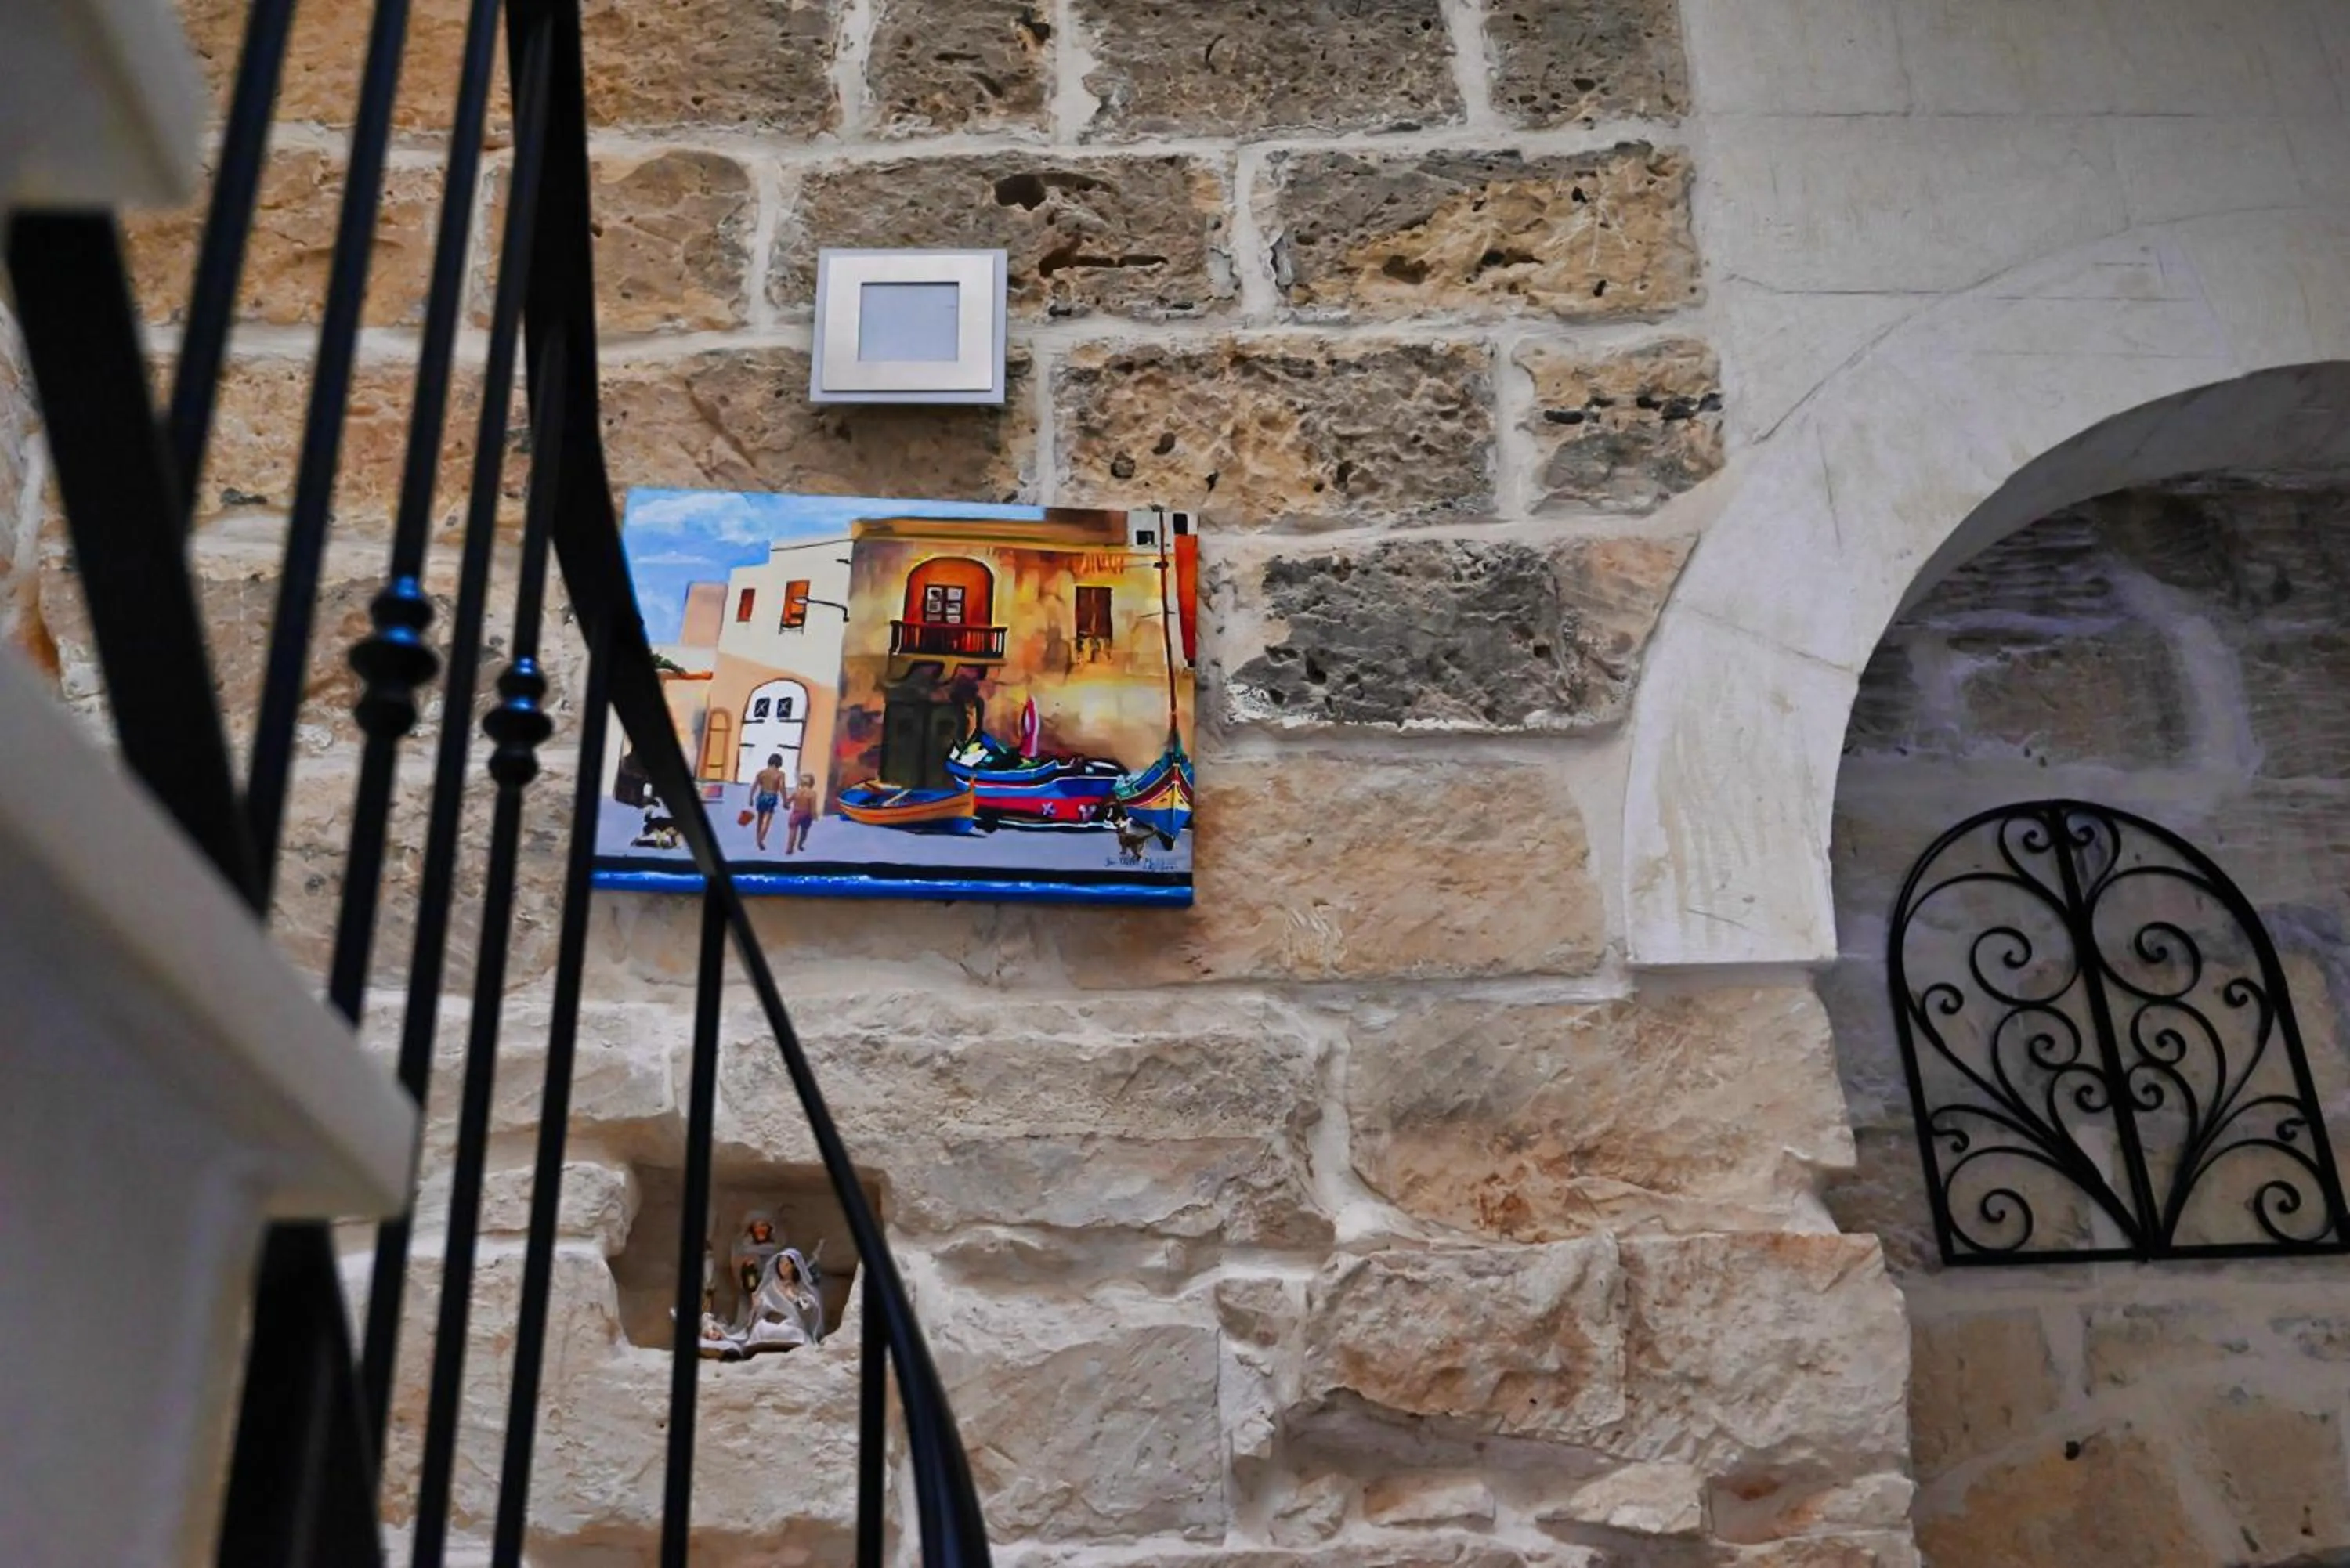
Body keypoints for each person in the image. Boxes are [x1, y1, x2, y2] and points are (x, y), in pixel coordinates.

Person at [751, 753, 786, 851]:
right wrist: (785, 800)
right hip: (771, 796)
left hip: (762, 795)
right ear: (779, 763)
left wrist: (750, 798)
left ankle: (758, 838)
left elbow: (754, 786)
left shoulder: (762, 773)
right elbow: (781, 787)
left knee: (760, 819)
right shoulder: (780, 774)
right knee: (766, 821)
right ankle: (760, 840)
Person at [786, 773, 819, 855]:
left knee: (792, 831)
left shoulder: (796, 792)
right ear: (812, 783)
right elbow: (813, 806)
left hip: (796, 813)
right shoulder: (812, 793)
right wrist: (814, 816)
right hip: (806, 814)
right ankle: (800, 845)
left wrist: (787, 805)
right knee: (804, 831)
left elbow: (788, 801)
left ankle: (790, 848)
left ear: (801, 783)